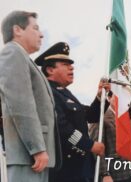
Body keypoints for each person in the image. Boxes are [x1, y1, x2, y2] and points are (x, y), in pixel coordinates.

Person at [0, 11, 62, 182]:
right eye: (35, 28)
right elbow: (20, 104)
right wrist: (37, 148)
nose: (41, 34)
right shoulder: (13, 53)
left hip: (33, 156)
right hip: (27, 155)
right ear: (17, 30)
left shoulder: (24, 58)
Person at [34, 42, 106, 182]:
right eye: (65, 64)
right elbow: (60, 127)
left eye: (71, 64)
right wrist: (89, 145)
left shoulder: (65, 93)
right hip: (65, 170)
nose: (71, 67)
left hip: (81, 168)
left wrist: (100, 96)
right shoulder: (46, 92)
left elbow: (91, 116)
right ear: (50, 69)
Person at [89, 101, 131, 182]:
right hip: (114, 174)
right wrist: (104, 174)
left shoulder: (130, 117)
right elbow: (96, 148)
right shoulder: (101, 116)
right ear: (110, 97)